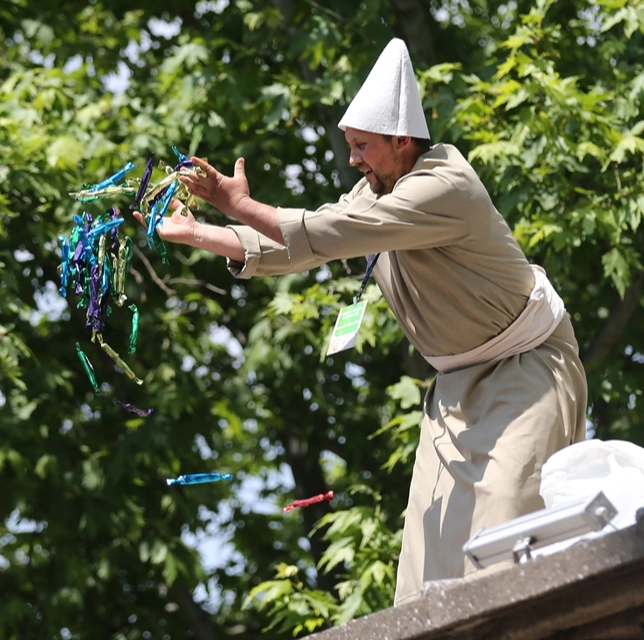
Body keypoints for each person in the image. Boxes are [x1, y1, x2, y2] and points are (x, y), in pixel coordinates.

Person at [135, 38, 588, 604]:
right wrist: (198, 233)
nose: (353, 159)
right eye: (350, 146)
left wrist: (238, 204)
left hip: (525, 375)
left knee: (504, 529)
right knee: (428, 558)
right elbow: (303, 243)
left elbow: (328, 233)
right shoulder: (372, 192)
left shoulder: (446, 185)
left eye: (362, 146)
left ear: (403, 141)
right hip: (454, 393)